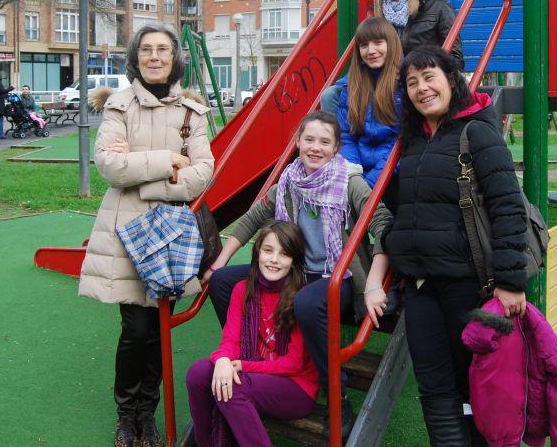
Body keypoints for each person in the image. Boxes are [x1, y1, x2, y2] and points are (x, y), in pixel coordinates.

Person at [205, 111, 392, 439]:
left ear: (336, 148)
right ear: (298, 142)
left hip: (339, 276)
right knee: (223, 283)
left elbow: (383, 224)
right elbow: (253, 218)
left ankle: (337, 394)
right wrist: (219, 262)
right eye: (309, 139)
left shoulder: (349, 183)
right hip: (297, 272)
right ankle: (255, 355)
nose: (315, 147)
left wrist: (374, 283)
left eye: (324, 142)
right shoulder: (290, 182)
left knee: (306, 303)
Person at [382, 45, 528, 445]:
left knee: (474, 382)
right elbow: (406, 207)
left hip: (468, 284)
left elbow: (507, 206)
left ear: (451, 80)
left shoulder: (476, 132)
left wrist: (511, 281)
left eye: (429, 77)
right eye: (412, 83)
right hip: (421, 286)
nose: (422, 88)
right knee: (433, 386)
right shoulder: (413, 141)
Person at [79, 23, 215, 447]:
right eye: (146, 50)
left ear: (175, 59)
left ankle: (147, 413)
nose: (155, 57)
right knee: (135, 329)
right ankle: (126, 414)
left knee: (158, 328)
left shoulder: (192, 113)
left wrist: (143, 173)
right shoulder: (119, 106)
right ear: (135, 58)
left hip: (171, 236)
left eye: (163, 50)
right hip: (127, 232)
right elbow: (109, 165)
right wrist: (169, 159)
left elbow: (203, 173)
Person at [186, 221, 319, 447]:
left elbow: (293, 364)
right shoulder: (243, 289)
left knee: (232, 386)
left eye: (284, 254)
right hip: (256, 376)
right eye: (268, 250)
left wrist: (241, 366)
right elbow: (231, 340)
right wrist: (223, 360)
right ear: (258, 253)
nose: (274, 259)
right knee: (198, 374)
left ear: (294, 261)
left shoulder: (302, 298)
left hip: (296, 387)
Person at [321, 0, 462, 113]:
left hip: (417, 77)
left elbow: (455, 57)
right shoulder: (378, 13)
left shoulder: (438, 8)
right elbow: (368, 56)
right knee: (330, 95)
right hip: (384, 78)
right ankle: (343, 131)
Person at [336, 16, 403, 190]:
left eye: (378, 42)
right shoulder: (351, 86)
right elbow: (346, 136)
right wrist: (354, 175)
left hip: (392, 172)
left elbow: (402, 142)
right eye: (364, 45)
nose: (371, 51)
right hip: (359, 173)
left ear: (391, 44)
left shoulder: (404, 85)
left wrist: (370, 183)